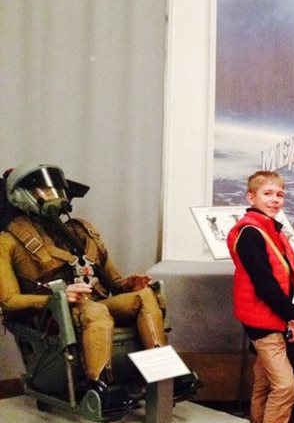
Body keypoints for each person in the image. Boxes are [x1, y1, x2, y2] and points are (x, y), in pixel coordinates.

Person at [0, 163, 169, 410]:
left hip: (94, 305)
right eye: (45, 191)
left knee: (144, 296)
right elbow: (8, 301)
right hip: (53, 317)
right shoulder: (8, 242)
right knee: (94, 310)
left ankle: (163, 375)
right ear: (22, 196)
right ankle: (99, 387)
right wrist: (57, 298)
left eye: (57, 190)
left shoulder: (81, 232)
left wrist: (130, 284)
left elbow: (114, 283)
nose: (55, 196)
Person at [227, 170, 294, 423]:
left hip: (275, 319)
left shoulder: (272, 229)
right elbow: (264, 285)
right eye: (268, 194)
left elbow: (292, 274)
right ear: (251, 197)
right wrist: (293, 315)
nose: (275, 200)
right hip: (263, 323)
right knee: (285, 386)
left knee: (263, 385)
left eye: (279, 195)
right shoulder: (251, 233)